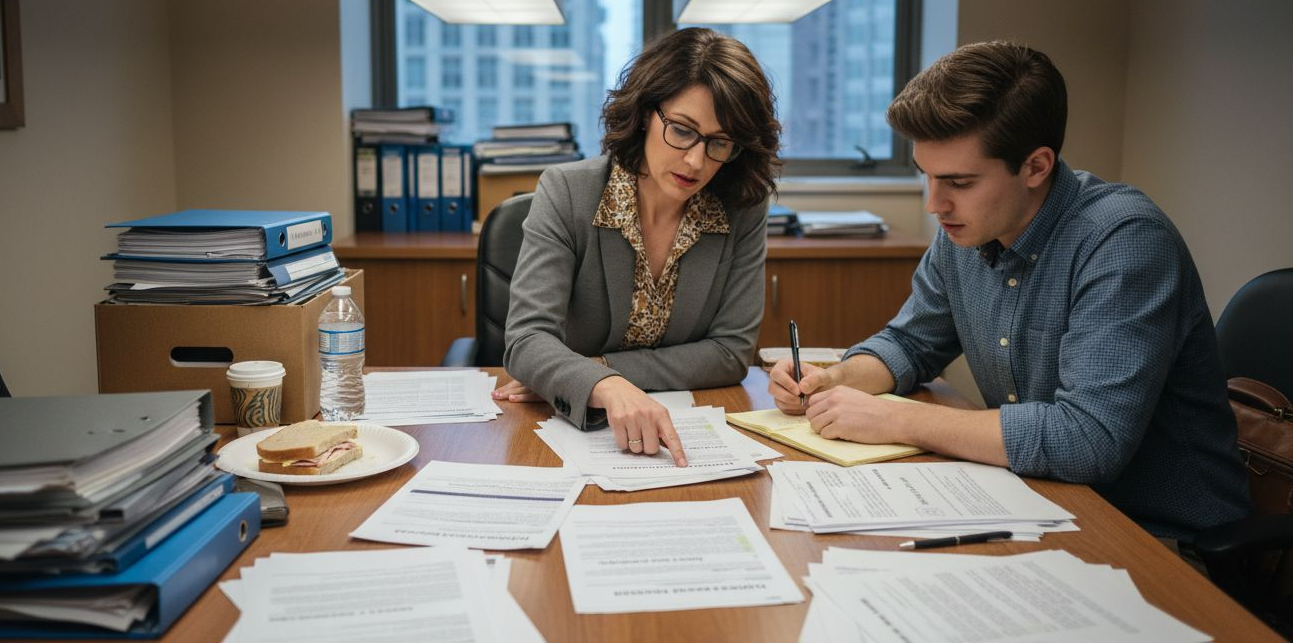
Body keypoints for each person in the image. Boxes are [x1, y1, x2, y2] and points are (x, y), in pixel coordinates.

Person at [768, 41, 1250, 540]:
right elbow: (911, 343)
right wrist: (836, 379)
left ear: (1036, 166)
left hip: (1163, 537)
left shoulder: (1124, 242)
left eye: (958, 181)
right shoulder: (967, 229)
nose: (935, 204)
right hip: (1041, 503)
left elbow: (1089, 440)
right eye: (926, 177)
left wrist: (895, 420)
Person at [500, 27, 782, 467]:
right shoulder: (568, 192)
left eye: (719, 143)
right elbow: (527, 340)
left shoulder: (743, 206)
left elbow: (730, 353)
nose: (695, 161)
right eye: (683, 131)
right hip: (562, 438)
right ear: (646, 113)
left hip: (687, 441)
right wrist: (606, 388)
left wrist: (597, 370)